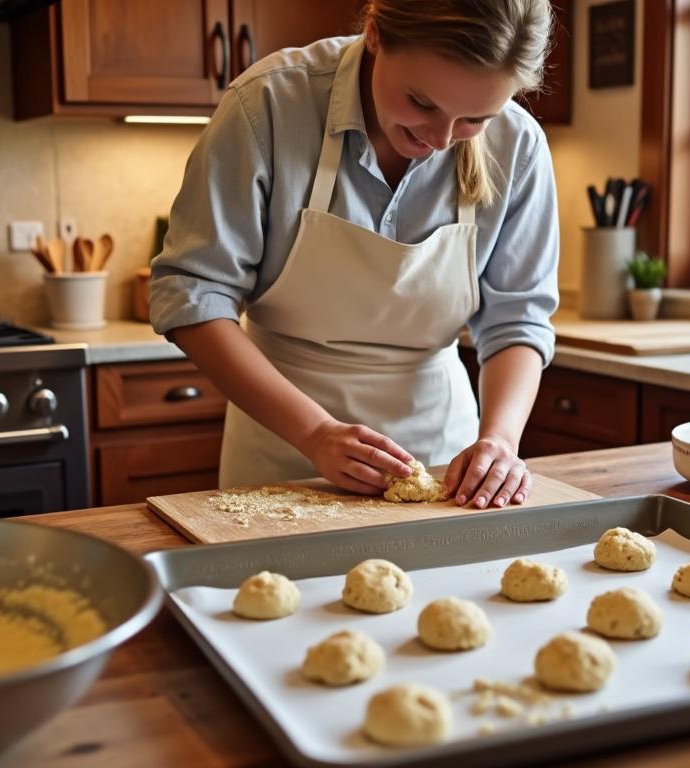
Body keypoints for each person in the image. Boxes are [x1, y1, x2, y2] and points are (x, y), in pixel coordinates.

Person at [150, 0, 559, 509]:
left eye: (474, 119)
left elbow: (518, 319)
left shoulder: (517, 145)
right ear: (374, 34)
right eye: (421, 102)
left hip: (440, 456)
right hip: (283, 446)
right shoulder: (269, 106)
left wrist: (499, 440)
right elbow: (192, 295)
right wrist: (315, 432)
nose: (440, 139)